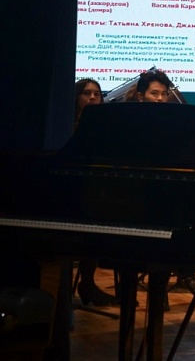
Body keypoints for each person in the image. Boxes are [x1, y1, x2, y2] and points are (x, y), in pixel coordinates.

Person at [73, 79, 117, 307]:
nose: (92, 97)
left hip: (96, 185)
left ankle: (88, 283)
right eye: (86, 93)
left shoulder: (106, 127)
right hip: (72, 185)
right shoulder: (66, 123)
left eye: (97, 94)